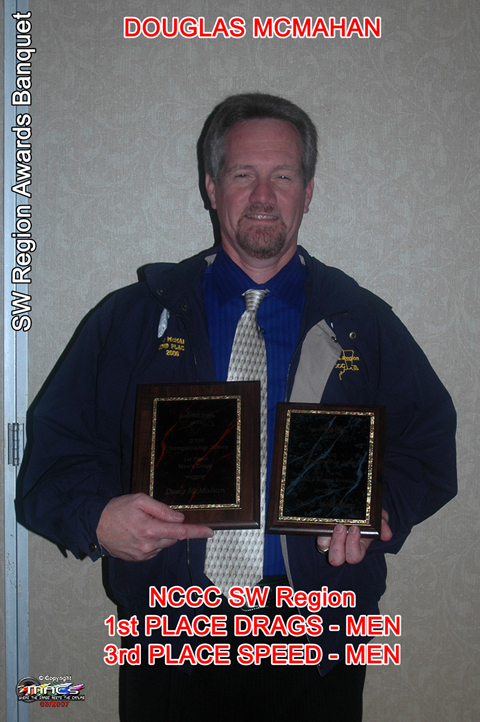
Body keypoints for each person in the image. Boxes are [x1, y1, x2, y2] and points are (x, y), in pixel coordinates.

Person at [21, 93, 456, 721]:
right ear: (211, 185)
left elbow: (429, 445)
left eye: (284, 176)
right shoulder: (133, 319)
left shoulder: (363, 323)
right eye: (243, 174)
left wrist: (381, 511)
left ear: (309, 192)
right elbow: (55, 456)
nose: (263, 196)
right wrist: (96, 520)